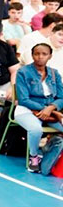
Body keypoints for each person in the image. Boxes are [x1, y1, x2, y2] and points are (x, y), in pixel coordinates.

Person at [14, 42, 63, 173]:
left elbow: (61, 97)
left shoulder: (54, 74)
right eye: (36, 54)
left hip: (50, 112)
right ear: (32, 55)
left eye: (44, 54)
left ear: (50, 56)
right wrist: (46, 109)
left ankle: (47, 150)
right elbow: (24, 100)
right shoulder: (23, 72)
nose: (40, 57)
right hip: (26, 110)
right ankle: (33, 156)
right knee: (36, 129)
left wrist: (51, 108)